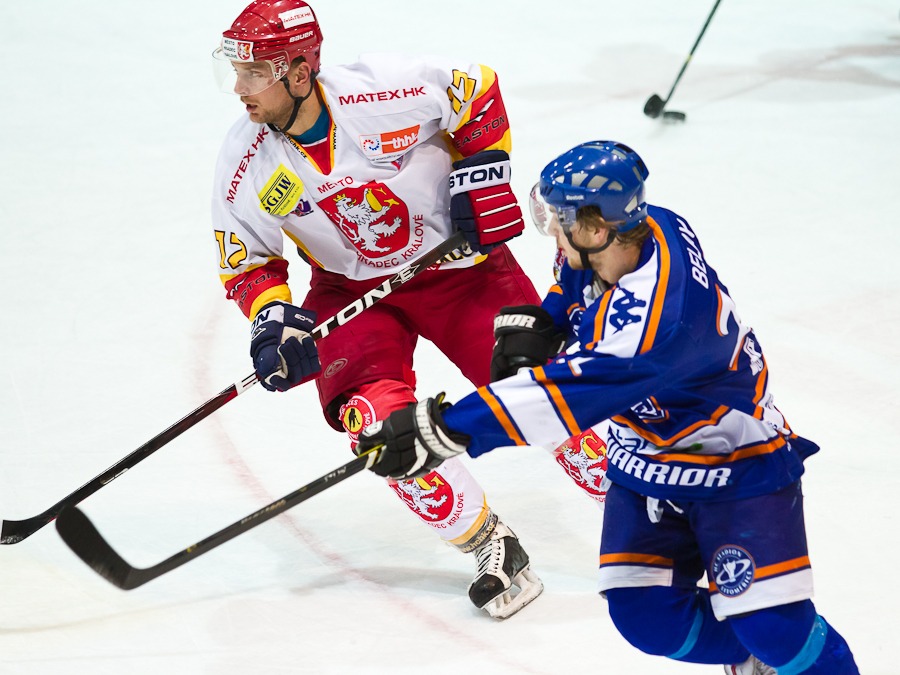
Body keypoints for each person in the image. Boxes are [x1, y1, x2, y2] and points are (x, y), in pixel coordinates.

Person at [357, 141, 860, 673]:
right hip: (644, 453)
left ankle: (775, 654)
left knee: (773, 627)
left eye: (560, 219)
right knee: (648, 618)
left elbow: (558, 400)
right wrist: (549, 320)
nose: (553, 231)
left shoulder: (655, 325)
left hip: (733, 458)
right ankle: (756, 659)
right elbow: (575, 279)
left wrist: (442, 430)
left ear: (596, 228)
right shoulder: (645, 228)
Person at [209, 0, 547, 619]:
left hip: (460, 270)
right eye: (237, 72)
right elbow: (249, 262)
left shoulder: (381, 91)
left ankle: (663, 517)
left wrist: (482, 174)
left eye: (255, 73)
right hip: (351, 292)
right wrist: (274, 320)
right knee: (375, 427)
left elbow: (476, 88)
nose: (240, 89)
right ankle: (490, 545)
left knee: (550, 396)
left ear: (299, 72)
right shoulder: (245, 161)